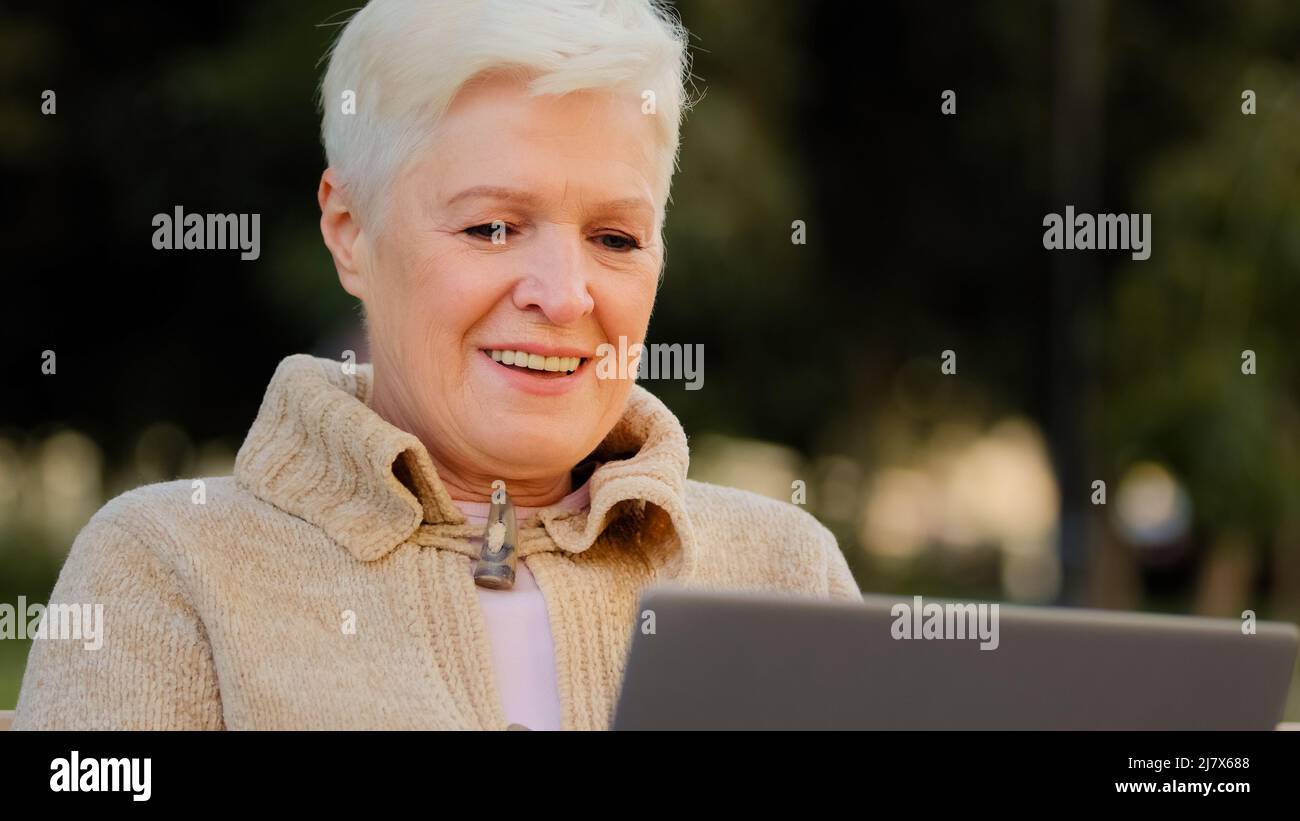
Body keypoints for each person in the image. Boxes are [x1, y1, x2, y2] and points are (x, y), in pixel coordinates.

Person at [14, 0, 859, 731]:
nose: (564, 295)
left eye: (614, 238)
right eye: (491, 227)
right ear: (350, 230)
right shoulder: (170, 564)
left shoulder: (786, 574)